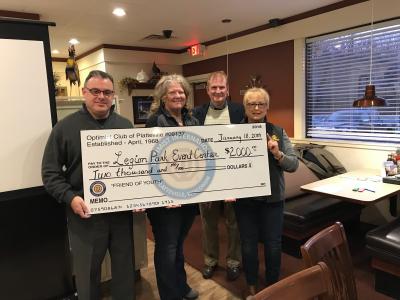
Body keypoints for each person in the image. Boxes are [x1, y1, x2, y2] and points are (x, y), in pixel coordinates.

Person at [42, 70, 135, 300]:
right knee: (87, 275)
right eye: (95, 91)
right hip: (85, 216)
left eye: (107, 92)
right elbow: (50, 173)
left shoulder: (125, 126)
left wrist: (138, 195)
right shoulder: (64, 128)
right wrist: (71, 198)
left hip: (121, 214)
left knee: (125, 270)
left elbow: (136, 169)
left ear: (113, 95)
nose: (101, 96)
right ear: (84, 93)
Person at [233, 87, 298, 298]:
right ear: (245, 108)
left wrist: (277, 153)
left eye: (261, 103)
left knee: (272, 244)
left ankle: (272, 284)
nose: (257, 107)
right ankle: (251, 284)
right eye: (252, 104)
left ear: (267, 106)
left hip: (273, 200)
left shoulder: (278, 132)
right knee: (248, 245)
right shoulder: (233, 133)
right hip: (245, 201)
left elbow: (293, 165)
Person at [146, 74, 199, 300]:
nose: (178, 96)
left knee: (178, 245)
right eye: (172, 92)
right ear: (163, 97)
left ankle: (181, 286)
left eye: (181, 92)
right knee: (167, 248)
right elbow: (150, 163)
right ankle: (170, 295)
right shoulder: (154, 122)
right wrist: (164, 193)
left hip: (188, 194)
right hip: (165, 201)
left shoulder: (193, 120)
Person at [193, 71, 244, 281]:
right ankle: (210, 261)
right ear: (207, 90)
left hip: (233, 176)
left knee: (235, 222)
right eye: (213, 88)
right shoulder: (197, 113)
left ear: (227, 89)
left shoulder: (239, 110)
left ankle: (234, 262)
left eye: (221, 87)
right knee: (208, 223)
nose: (218, 91)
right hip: (207, 178)